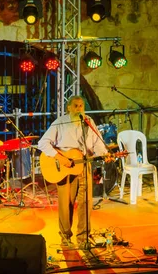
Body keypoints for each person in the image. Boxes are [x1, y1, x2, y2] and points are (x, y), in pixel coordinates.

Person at [38, 96, 109, 249]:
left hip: (85, 166)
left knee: (86, 203)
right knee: (66, 204)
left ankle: (83, 238)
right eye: (75, 106)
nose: (79, 109)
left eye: (81, 106)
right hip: (65, 169)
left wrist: (104, 153)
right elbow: (42, 143)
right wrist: (60, 158)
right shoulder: (60, 122)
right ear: (68, 107)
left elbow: (98, 144)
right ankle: (65, 237)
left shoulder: (88, 121)